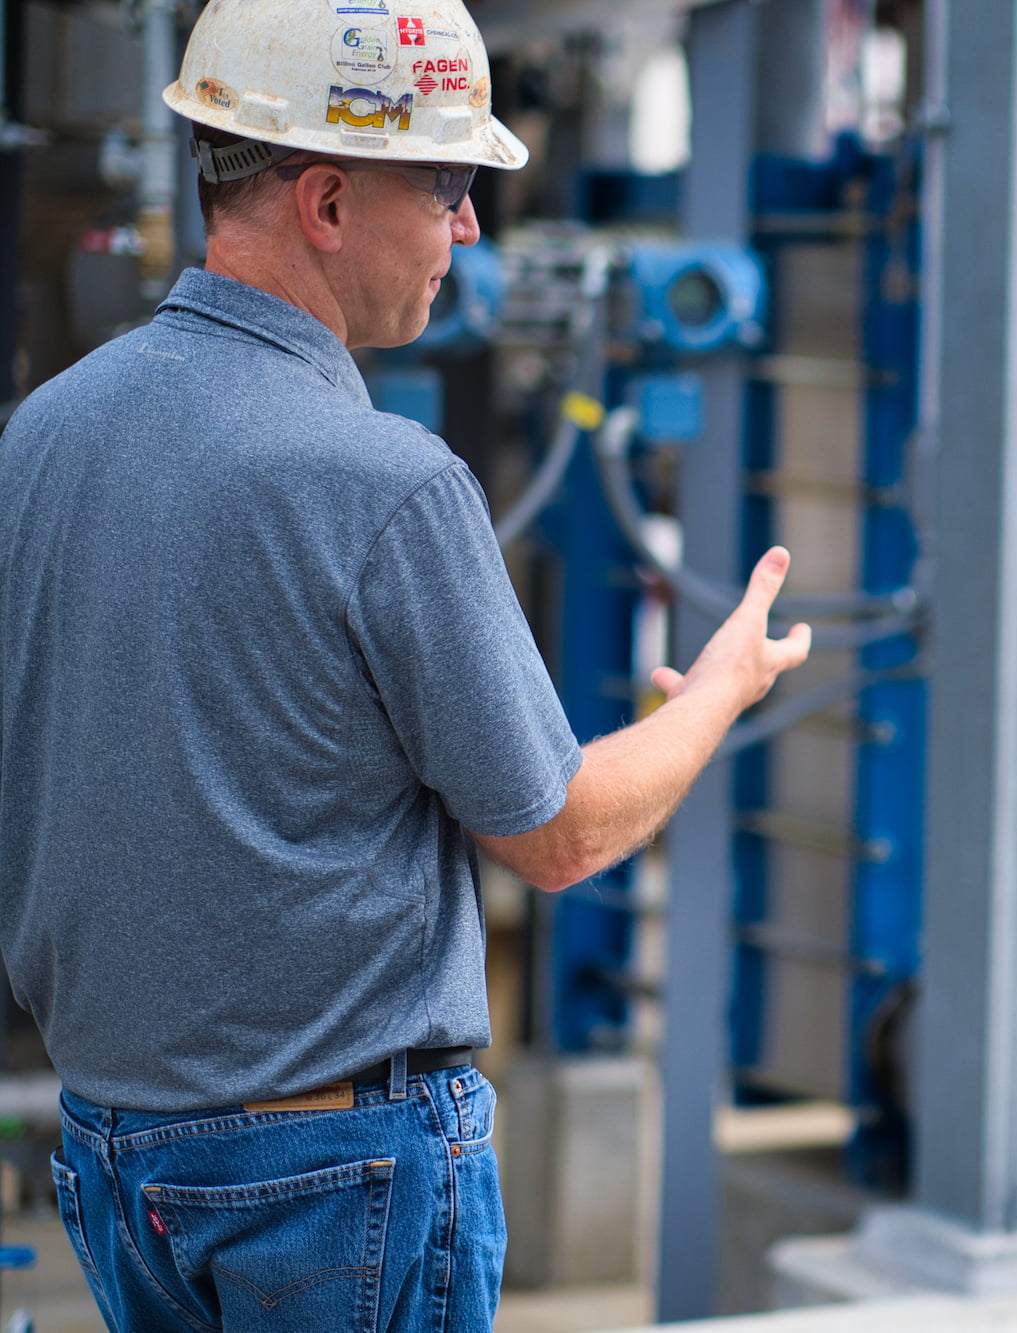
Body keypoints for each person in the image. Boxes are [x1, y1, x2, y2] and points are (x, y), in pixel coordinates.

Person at [0, 1, 808, 1328]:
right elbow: (562, 837)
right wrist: (720, 687)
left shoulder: (48, 431)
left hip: (114, 1149)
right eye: (446, 186)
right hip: (331, 1171)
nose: (471, 228)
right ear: (324, 200)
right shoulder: (384, 486)